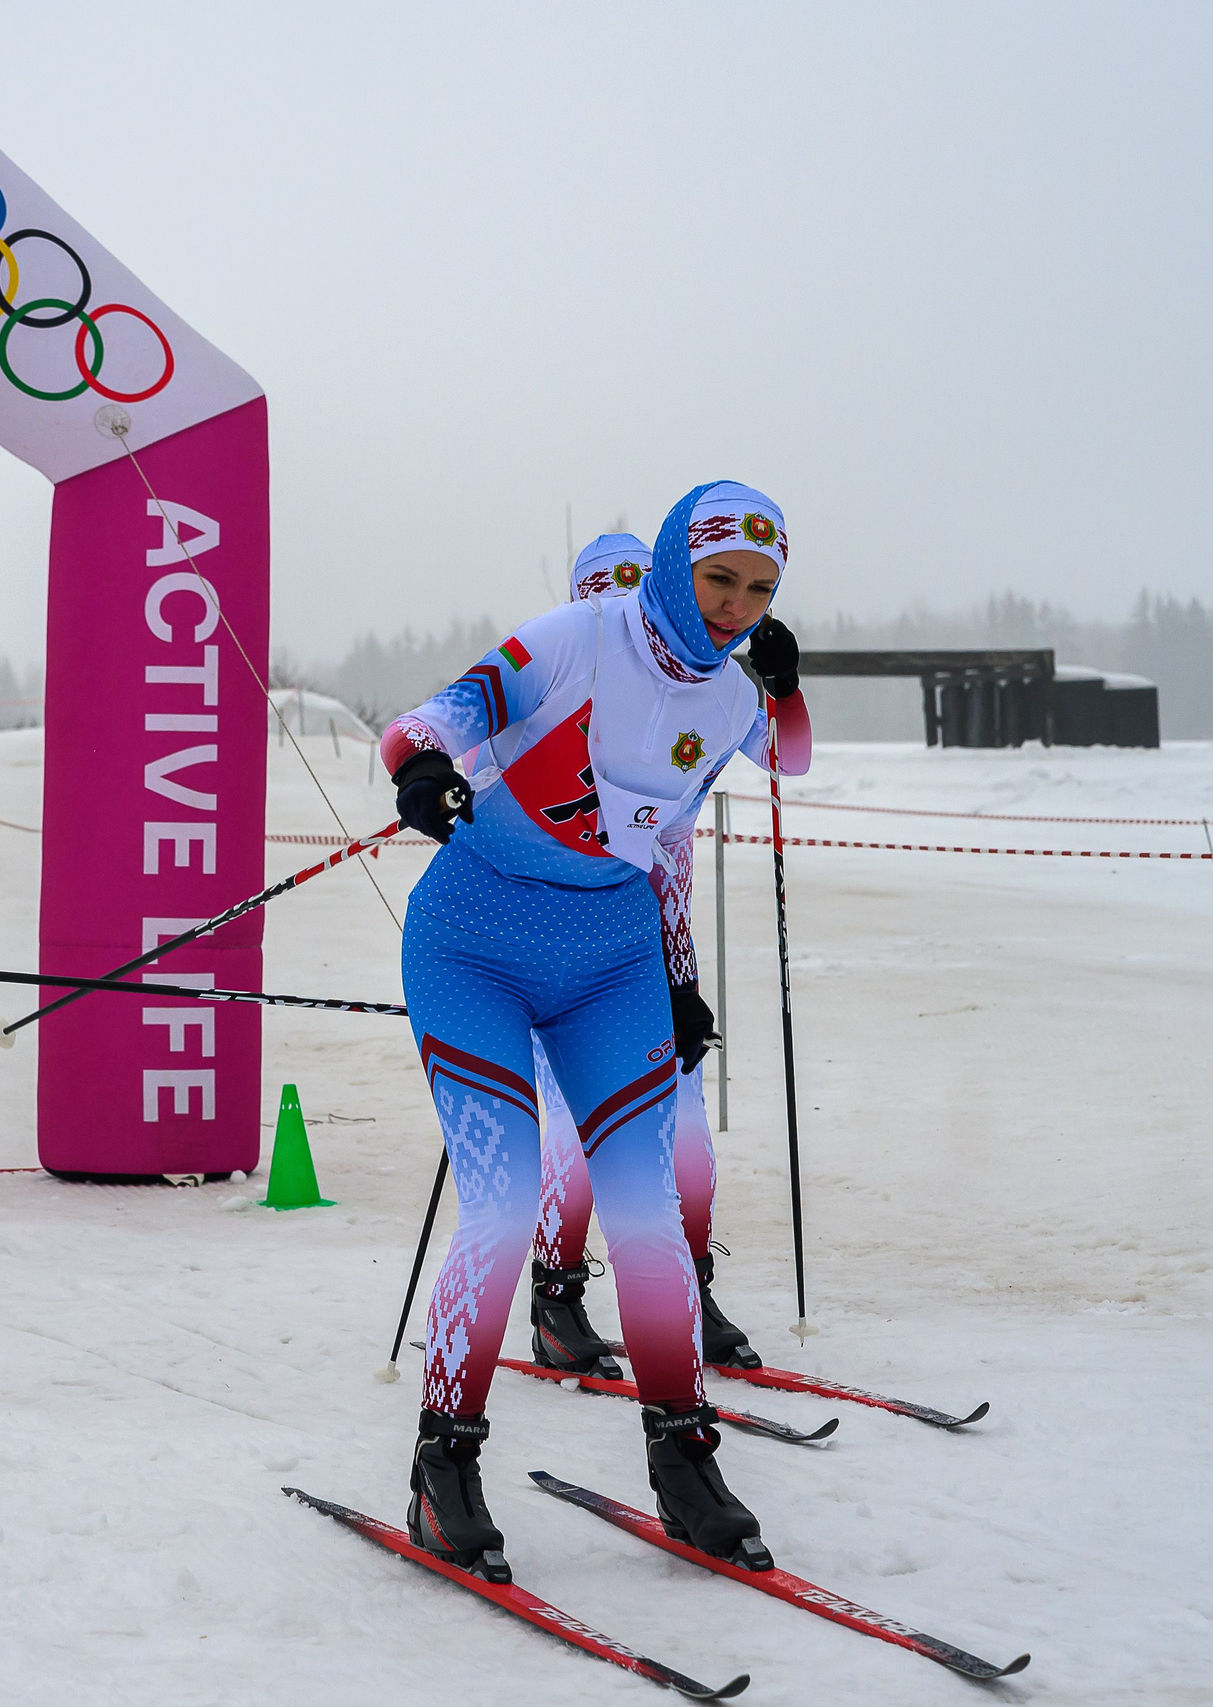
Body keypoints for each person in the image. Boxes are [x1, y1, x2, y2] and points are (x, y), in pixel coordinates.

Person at [382, 482, 808, 1579]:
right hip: (473, 944)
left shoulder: (724, 706)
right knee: (505, 1200)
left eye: (758, 590)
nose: (733, 608)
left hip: (611, 960)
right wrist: (423, 771)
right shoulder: (579, 637)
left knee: (645, 1207)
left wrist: (673, 977)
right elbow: (431, 717)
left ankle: (681, 1457)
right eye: (719, 579)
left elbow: (664, 844)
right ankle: (445, 1462)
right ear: (674, 564)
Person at [523, 534, 763, 1381]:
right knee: (581, 1147)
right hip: (562, 964)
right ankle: (555, 1296)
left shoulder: (684, 709)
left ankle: (689, 1292)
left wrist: (780, 684)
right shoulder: (552, 691)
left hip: (667, 967)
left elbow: (781, 753)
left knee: (688, 1140)